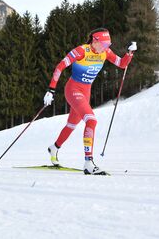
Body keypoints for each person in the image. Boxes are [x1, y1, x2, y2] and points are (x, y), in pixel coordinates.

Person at [43, 28, 136, 175]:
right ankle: (88, 162)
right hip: (73, 90)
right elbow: (60, 66)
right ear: (95, 41)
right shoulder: (81, 51)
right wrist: (51, 90)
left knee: (71, 125)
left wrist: (129, 53)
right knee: (91, 121)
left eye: (108, 45)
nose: (106, 48)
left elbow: (122, 64)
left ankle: (54, 147)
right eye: (104, 44)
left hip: (85, 93)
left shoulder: (105, 52)